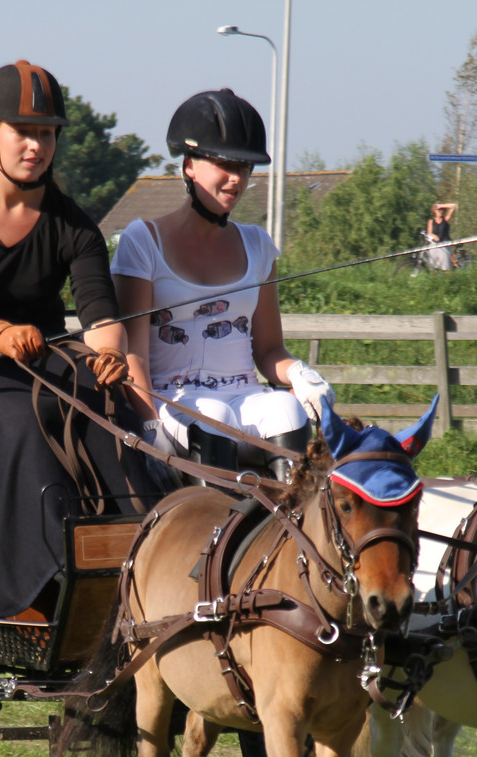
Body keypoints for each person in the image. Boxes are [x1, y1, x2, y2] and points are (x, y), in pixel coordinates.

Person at [0, 60, 157, 620]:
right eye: (23, 132)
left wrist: (110, 353)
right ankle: (35, 589)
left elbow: (99, 312)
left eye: (46, 134)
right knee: (28, 426)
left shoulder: (75, 225)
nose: (36, 146)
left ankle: (135, 566)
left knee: (110, 422)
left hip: (44, 363)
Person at [110, 88, 334, 485]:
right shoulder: (143, 241)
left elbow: (269, 350)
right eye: (225, 164)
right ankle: (215, 519)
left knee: (286, 409)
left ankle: (296, 515)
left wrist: (299, 373)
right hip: (174, 402)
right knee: (212, 415)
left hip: (245, 397)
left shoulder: (258, 246)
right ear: (190, 165)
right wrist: (149, 426)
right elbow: (135, 355)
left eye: (244, 167)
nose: (237, 178)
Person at [425, 202, 458, 271]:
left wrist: (441, 205)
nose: (441, 211)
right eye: (439, 210)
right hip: (434, 246)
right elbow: (429, 232)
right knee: (434, 268)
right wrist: (434, 236)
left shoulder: (446, 220)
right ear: (434, 211)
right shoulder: (431, 221)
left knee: (446, 268)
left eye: (442, 210)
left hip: (444, 245)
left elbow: (454, 206)